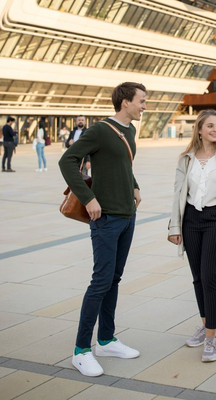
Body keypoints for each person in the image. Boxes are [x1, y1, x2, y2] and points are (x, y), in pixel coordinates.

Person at [59, 82, 146, 377]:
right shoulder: (98, 130)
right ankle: (81, 350)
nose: (144, 106)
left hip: (127, 215)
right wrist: (89, 198)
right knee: (100, 281)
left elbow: (124, 165)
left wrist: (134, 187)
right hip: (106, 217)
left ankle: (106, 339)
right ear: (125, 102)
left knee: (115, 278)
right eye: (141, 101)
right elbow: (67, 160)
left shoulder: (130, 132)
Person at [168, 109, 216, 363]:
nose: (215, 130)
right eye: (210, 126)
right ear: (199, 129)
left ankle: (212, 337)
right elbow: (178, 194)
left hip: (215, 220)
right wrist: (174, 227)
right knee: (198, 277)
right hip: (190, 220)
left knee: (211, 276)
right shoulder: (186, 158)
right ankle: (205, 324)